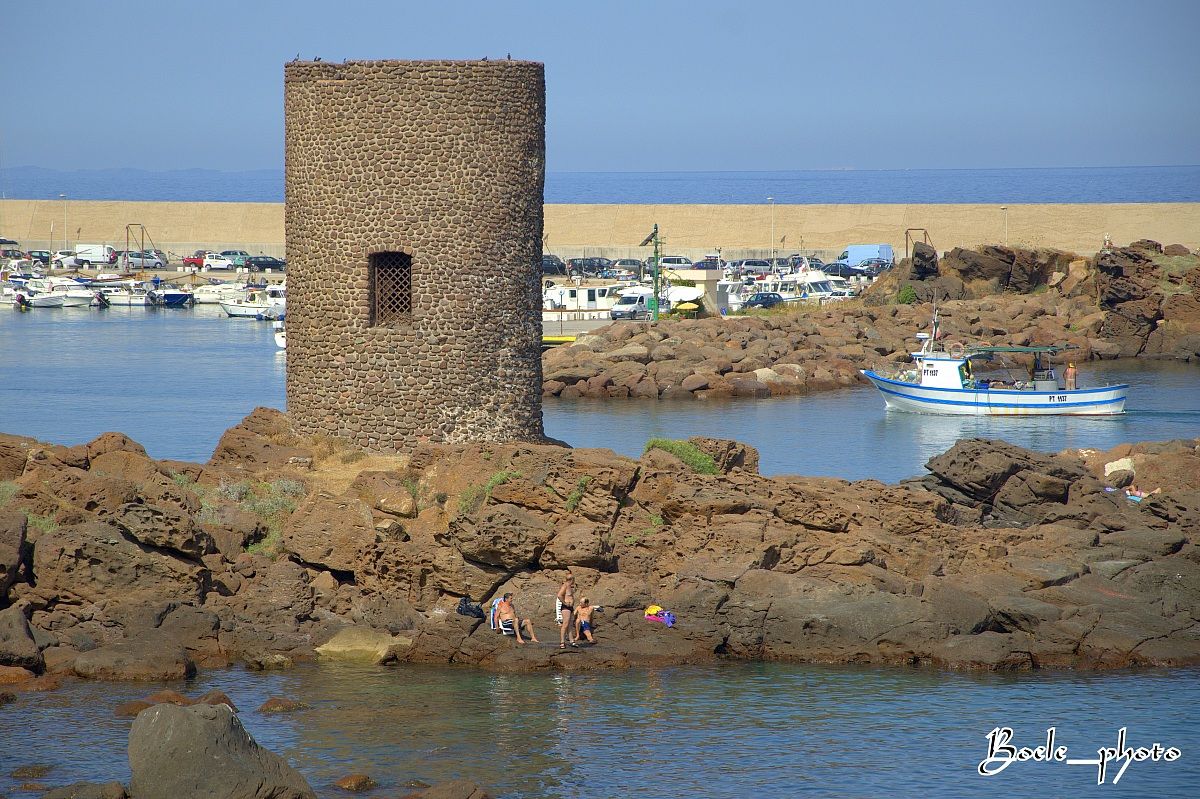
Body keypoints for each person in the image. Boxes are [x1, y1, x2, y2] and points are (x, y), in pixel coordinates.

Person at [556, 572, 576, 649]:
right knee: (565, 624)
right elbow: (559, 595)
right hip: (566, 607)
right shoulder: (565, 586)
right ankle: (562, 642)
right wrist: (565, 603)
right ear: (572, 579)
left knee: (570, 625)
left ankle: (572, 641)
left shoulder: (570, 587)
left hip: (570, 608)